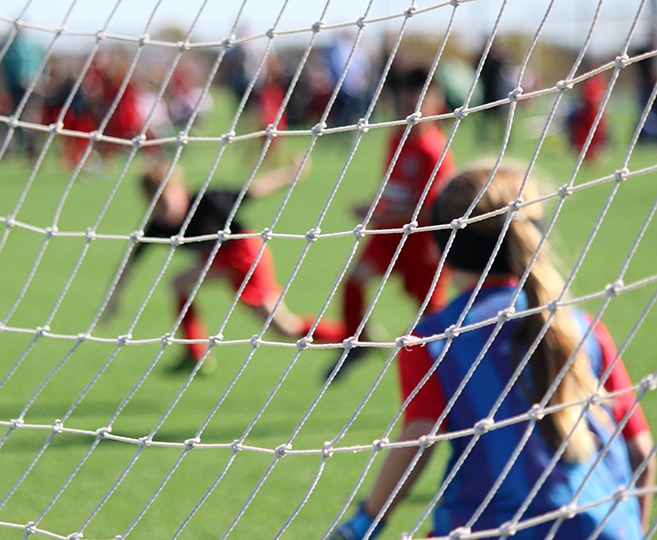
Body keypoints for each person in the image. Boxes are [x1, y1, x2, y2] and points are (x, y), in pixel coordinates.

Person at [329, 165, 655, 540]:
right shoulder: (580, 326)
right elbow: (641, 451)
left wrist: (367, 520)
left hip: (489, 527)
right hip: (602, 526)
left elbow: (419, 439)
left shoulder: (433, 338)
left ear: (437, 245)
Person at [103, 158, 346, 373]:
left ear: (181, 190)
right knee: (284, 328)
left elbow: (254, 190)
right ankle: (195, 354)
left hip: (245, 252)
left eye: (166, 201)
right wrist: (114, 299)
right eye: (155, 205)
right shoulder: (157, 226)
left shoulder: (208, 201)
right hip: (221, 261)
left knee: (283, 326)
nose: (163, 211)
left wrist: (289, 176)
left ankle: (352, 339)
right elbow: (129, 263)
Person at [327, 68, 455, 381]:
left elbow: (431, 211)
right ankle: (358, 343)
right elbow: (391, 187)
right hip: (388, 237)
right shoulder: (396, 138)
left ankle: (450, 373)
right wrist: (373, 205)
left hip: (423, 246)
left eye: (417, 107)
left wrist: (381, 216)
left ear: (435, 107)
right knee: (354, 282)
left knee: (432, 322)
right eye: (403, 107)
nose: (408, 114)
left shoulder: (433, 151)